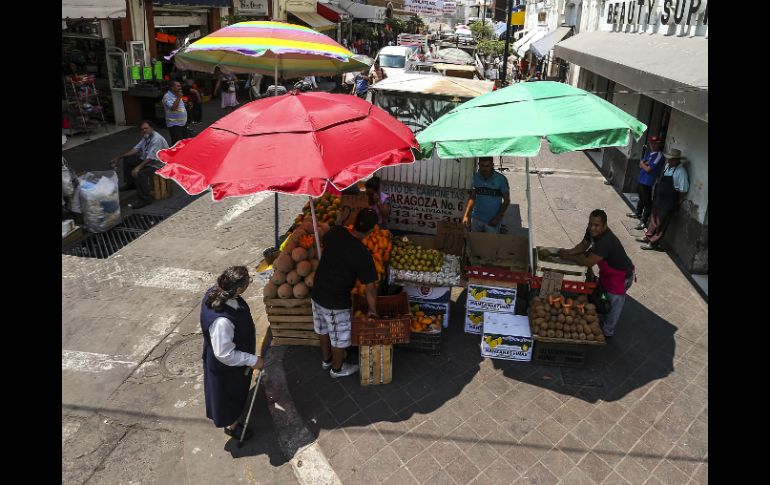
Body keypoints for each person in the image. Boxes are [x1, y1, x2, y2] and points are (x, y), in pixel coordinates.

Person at [311, 209, 380, 377]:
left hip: (317, 292)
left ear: (354, 222)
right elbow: (370, 288)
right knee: (339, 338)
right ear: (371, 231)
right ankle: (337, 369)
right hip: (335, 301)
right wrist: (372, 310)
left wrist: (339, 220)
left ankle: (326, 360)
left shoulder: (336, 232)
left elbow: (330, 234)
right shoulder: (363, 254)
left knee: (323, 329)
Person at [200, 266, 264, 440]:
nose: (249, 284)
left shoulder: (216, 292)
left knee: (234, 392)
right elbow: (225, 354)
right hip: (226, 367)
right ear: (237, 289)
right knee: (228, 396)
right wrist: (252, 360)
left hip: (229, 359)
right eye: (247, 282)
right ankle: (232, 426)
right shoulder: (222, 322)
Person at [558, 209, 635, 338]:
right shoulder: (591, 231)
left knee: (614, 305)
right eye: (590, 224)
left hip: (620, 277)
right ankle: (602, 316)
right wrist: (569, 252)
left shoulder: (606, 241)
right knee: (603, 296)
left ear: (604, 226)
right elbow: (583, 245)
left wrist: (569, 257)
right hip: (607, 274)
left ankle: (608, 330)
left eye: (596, 225)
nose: (592, 228)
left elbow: (588, 262)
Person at [637, 148, 689, 250]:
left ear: (677, 159)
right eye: (668, 159)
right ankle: (648, 237)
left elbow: (683, 190)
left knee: (661, 223)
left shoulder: (681, 172)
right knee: (653, 219)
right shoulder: (667, 166)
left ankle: (654, 243)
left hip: (669, 202)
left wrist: (678, 200)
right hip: (659, 199)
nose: (669, 161)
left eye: (671, 159)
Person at [110, 120, 169, 210]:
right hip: (147, 159)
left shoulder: (156, 139)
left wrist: (138, 168)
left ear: (151, 128)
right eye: (142, 129)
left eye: (146, 128)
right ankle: (131, 184)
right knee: (128, 159)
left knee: (141, 173)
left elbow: (151, 158)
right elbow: (135, 149)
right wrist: (119, 157)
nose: (144, 130)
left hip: (158, 164)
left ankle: (145, 199)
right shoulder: (146, 136)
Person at [462, 156, 510, 233]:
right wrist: (466, 215)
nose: (485, 169)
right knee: (474, 243)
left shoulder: (501, 179)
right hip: (476, 219)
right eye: (482, 166)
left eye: (487, 166)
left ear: (492, 165)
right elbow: (472, 197)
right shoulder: (475, 177)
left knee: (490, 243)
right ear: (479, 165)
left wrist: (497, 218)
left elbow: (506, 201)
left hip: (492, 221)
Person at [627, 136, 664, 230]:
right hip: (641, 179)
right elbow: (641, 164)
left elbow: (648, 169)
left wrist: (644, 164)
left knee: (647, 202)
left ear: (659, 144)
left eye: (655, 143)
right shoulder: (650, 153)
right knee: (641, 198)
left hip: (647, 182)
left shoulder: (659, 155)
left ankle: (643, 221)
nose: (653, 145)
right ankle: (638, 213)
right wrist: (644, 164)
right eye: (651, 143)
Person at [162, 81, 187, 146]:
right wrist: (179, 97)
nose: (180, 87)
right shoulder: (167, 96)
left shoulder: (177, 94)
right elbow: (173, 108)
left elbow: (179, 106)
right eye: (178, 86)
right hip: (174, 124)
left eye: (180, 86)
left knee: (183, 143)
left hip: (182, 123)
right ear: (172, 88)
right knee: (177, 144)